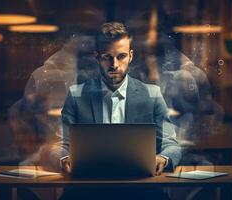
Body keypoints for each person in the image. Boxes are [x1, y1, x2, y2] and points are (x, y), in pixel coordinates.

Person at [51, 21, 181, 176]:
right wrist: (64, 158)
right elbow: (60, 145)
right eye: (107, 57)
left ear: (131, 56)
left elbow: (171, 145)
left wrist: (163, 158)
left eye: (121, 56)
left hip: (140, 186)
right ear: (97, 57)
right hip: (88, 184)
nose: (114, 64)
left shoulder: (152, 95)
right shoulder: (76, 95)